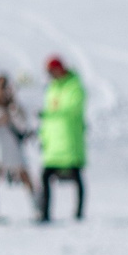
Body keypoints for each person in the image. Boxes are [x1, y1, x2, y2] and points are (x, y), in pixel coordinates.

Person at [37, 56, 86, 222]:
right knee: (45, 176)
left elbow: (72, 109)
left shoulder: (74, 86)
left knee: (76, 176)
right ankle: (45, 213)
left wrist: (50, 114)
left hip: (69, 139)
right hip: (53, 143)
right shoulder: (51, 89)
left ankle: (79, 213)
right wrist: (43, 136)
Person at [0, 73, 33, 202]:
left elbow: (23, 125)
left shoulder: (12, 104)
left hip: (10, 143)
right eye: (0, 86)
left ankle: (36, 202)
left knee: (22, 172)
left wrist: (13, 110)